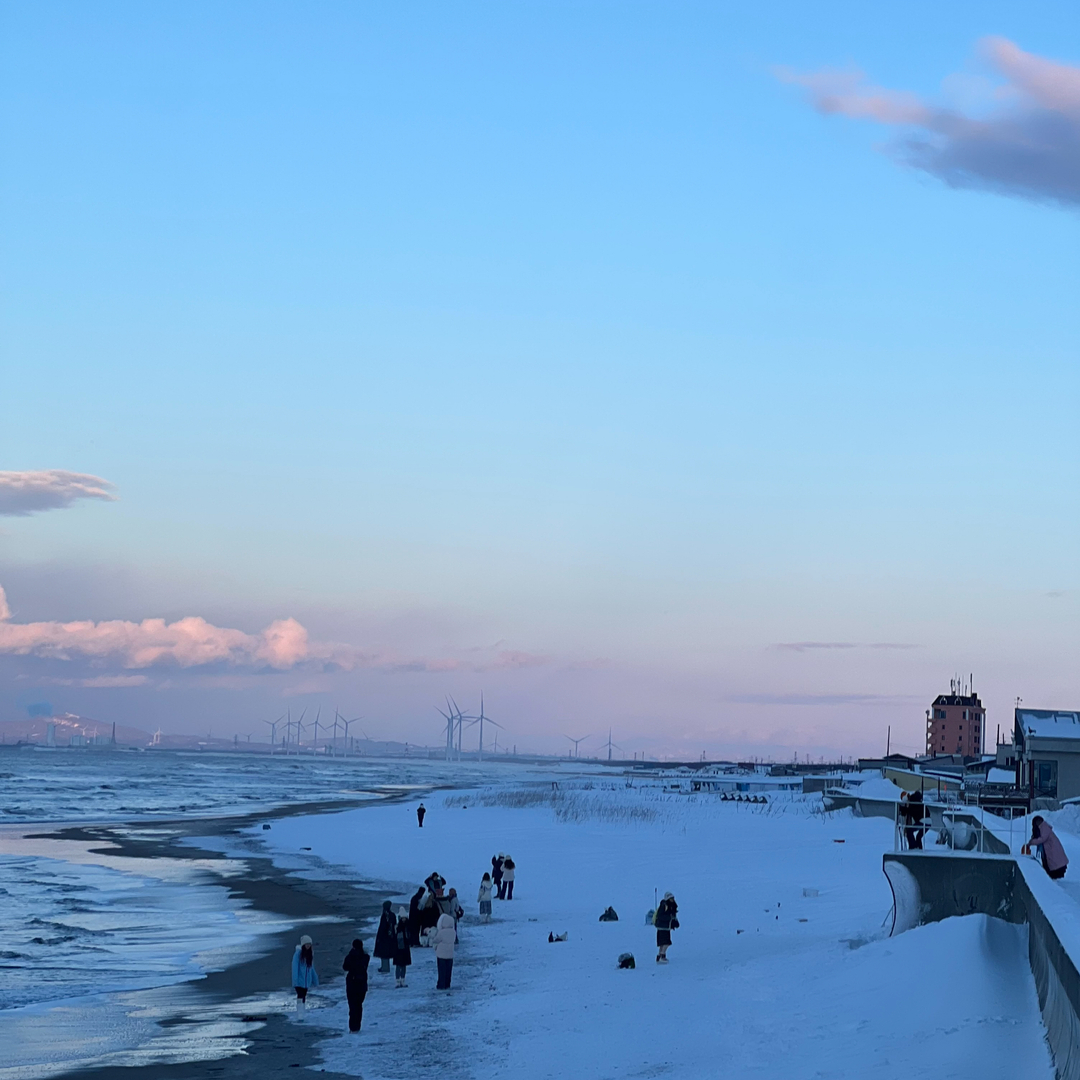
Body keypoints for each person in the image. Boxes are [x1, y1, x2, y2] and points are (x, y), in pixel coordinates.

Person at [342, 938, 369, 1033]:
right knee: (359, 1005)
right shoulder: (365, 957)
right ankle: (357, 1026)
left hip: (352, 983)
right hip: (362, 984)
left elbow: (345, 967)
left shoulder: (350, 956)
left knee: (352, 1006)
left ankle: (352, 1027)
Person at [1030, 815, 1069, 879]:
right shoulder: (1042, 828)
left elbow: (1042, 839)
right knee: (1051, 867)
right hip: (1050, 852)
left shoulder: (1044, 827)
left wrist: (1031, 842)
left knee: (1054, 868)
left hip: (1052, 852)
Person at [291, 934, 319, 1013]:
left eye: (309, 944)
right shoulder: (297, 955)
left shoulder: (310, 955)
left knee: (303, 997)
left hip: (306, 982)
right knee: (300, 996)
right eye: (307, 944)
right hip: (299, 981)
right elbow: (295, 968)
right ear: (303, 945)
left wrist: (315, 980)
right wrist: (295, 980)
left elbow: (311, 968)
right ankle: (300, 1014)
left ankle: (301, 1012)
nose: (308, 946)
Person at [654, 892, 679, 963]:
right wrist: (670, 918)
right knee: (666, 942)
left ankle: (659, 956)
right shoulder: (664, 905)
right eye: (670, 898)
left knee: (663, 943)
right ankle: (662, 956)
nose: (672, 899)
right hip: (662, 927)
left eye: (673, 898)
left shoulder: (672, 906)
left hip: (666, 927)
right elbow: (660, 916)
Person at [434, 912, 456, 989]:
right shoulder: (453, 932)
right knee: (448, 971)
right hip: (450, 954)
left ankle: (441, 984)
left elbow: (436, 940)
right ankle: (447, 984)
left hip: (441, 955)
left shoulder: (441, 932)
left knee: (441, 971)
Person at [374, 900, 396, 974]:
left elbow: (382, 927)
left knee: (384, 953)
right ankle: (385, 967)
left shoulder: (385, 916)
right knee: (387, 952)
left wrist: (379, 937)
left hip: (384, 937)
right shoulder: (392, 915)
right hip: (391, 937)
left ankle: (385, 968)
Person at [393, 907, 412, 987]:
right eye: (402, 918)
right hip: (399, 948)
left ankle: (402, 980)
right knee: (399, 965)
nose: (404, 919)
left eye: (404, 918)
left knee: (403, 965)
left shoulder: (405, 927)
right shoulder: (398, 927)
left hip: (404, 948)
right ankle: (398, 980)